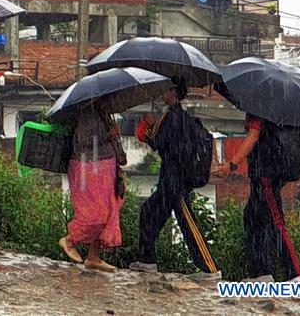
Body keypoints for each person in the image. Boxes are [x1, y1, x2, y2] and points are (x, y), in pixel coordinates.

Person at [128, 82, 221, 279]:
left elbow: (159, 143)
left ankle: (210, 269)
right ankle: (147, 260)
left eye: (167, 89)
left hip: (175, 181)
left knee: (187, 223)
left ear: (174, 92)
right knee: (149, 212)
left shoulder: (172, 117)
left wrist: (148, 127)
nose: (164, 93)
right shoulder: (181, 117)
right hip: (170, 180)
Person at [215, 115, 300, 283]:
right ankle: (261, 274)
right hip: (265, 171)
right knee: (252, 217)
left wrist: (233, 164)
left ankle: (294, 275)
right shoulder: (275, 108)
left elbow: (253, 135)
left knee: (276, 222)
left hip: (266, 172)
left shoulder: (259, 109)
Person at [58, 108, 126, 272]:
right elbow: (84, 140)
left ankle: (93, 256)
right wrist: (108, 134)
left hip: (106, 166)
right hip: (89, 167)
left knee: (109, 211)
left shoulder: (103, 113)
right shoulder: (86, 113)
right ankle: (70, 240)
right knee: (96, 213)